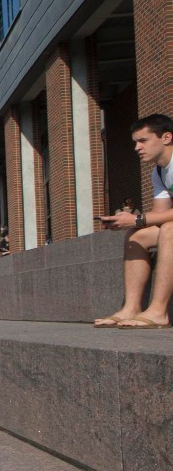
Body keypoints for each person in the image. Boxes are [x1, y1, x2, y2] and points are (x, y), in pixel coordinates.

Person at [95, 114, 173, 329]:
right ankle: (131, 307)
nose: (137, 147)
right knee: (138, 235)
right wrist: (126, 221)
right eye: (135, 142)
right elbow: (160, 213)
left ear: (166, 137)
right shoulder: (159, 171)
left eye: (143, 140)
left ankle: (159, 311)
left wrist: (138, 218)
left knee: (170, 230)